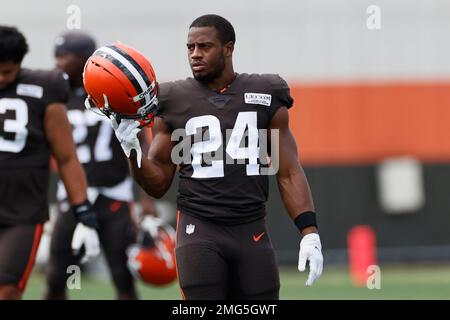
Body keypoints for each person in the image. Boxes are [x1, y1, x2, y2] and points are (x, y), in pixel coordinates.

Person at [95, 14, 323, 299]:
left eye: (204, 46)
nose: (195, 54)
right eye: (190, 47)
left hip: (251, 228)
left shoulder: (266, 92)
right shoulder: (172, 100)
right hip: (199, 228)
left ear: (228, 48)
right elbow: (158, 184)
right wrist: (132, 149)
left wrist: (309, 232)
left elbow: (288, 170)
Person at [44, 31, 155, 300]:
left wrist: (146, 198)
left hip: (113, 194)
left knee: (122, 276)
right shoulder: (53, 94)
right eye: (56, 57)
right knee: (56, 275)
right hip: (72, 196)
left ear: (84, 59)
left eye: (63, 56)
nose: (58, 63)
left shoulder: (110, 89)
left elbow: (141, 139)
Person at [0, 26, 99, 300]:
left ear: (19, 64)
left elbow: (66, 155)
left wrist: (80, 204)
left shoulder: (44, 87)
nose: (0, 78)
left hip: (22, 212)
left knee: (7, 289)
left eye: (6, 72)